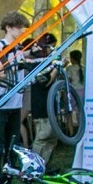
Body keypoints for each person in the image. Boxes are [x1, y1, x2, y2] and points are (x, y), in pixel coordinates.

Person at [0, 12, 30, 184]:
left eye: (23, 27)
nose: (21, 30)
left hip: (15, 103)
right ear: (8, 27)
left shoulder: (19, 49)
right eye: (18, 27)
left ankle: (8, 183)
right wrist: (14, 67)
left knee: (12, 145)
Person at [25, 33, 61, 170]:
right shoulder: (38, 61)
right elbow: (45, 82)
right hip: (41, 105)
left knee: (52, 138)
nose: (53, 49)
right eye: (51, 46)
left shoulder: (47, 60)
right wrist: (56, 69)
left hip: (50, 105)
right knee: (42, 136)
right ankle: (33, 167)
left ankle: (44, 165)